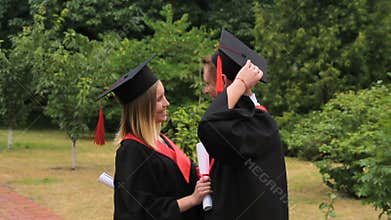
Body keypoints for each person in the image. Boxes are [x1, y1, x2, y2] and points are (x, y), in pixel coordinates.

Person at [97, 56, 212, 220]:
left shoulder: (161, 139)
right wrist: (192, 200)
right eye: (159, 99)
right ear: (143, 108)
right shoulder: (131, 151)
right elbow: (138, 212)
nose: (167, 103)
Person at [198, 30, 288, 220]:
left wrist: (239, 83)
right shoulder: (243, 120)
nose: (206, 90)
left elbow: (209, 125)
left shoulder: (256, 123)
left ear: (223, 80)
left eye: (208, 83)